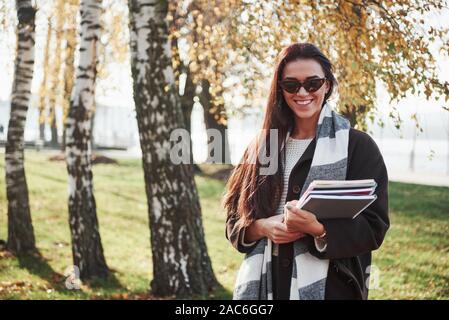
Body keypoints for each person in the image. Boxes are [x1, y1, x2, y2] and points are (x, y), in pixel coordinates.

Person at [222, 43, 389, 300]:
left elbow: (374, 227)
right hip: (267, 285)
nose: (302, 92)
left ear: (327, 85)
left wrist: (319, 229)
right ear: (280, 89)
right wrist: (262, 227)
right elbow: (233, 222)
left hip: (332, 289)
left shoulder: (357, 146)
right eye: (291, 85)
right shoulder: (261, 146)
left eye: (312, 83)